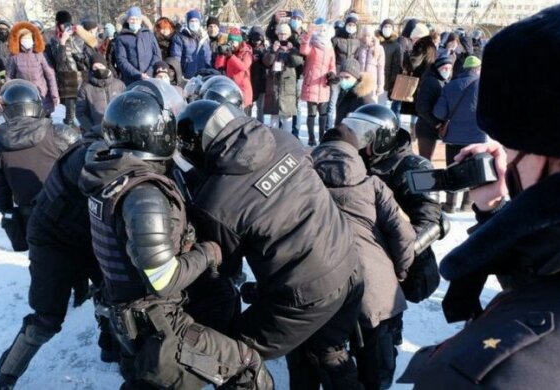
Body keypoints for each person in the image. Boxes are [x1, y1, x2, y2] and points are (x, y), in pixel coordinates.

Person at [399, 4, 560, 388]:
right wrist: (494, 210)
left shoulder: (476, 375)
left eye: (510, 142)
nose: (502, 153)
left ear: (553, 156)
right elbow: (553, 279)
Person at [79, 81, 272, 389]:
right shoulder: (144, 194)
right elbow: (162, 278)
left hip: (135, 314)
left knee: (222, 299)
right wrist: (208, 252)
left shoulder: (109, 176)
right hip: (161, 320)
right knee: (248, 368)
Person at [176, 99, 364, 389]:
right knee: (326, 352)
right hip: (349, 262)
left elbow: (225, 270)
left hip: (306, 293)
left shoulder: (215, 202)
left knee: (232, 352)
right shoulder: (283, 139)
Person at [0, 111, 109, 390]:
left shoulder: (76, 139)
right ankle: (4, 378)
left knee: (112, 292)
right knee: (46, 317)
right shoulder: (83, 148)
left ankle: (110, 345)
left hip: (87, 230)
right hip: (51, 236)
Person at [313, 125, 416, 390]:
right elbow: (402, 233)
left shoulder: (303, 186)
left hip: (322, 286)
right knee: (376, 363)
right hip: (372, 286)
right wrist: (400, 271)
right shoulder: (372, 184)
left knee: (329, 358)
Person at [349, 104, 449, 339]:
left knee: (384, 327)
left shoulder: (416, 167)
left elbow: (431, 221)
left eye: (365, 134)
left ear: (383, 138)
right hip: (359, 255)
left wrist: (396, 254)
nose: (358, 141)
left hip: (401, 263)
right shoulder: (355, 163)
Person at [0, 80, 80, 251]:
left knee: (43, 262)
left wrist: (6, 210)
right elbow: (83, 171)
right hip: (68, 212)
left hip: (32, 216)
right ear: (36, 105)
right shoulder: (60, 133)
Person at [433, 56, 486, 213]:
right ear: (477, 69)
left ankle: (450, 204)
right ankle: (467, 203)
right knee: (474, 170)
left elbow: (439, 111)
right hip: (477, 137)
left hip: (453, 137)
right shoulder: (484, 86)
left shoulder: (451, 86)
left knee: (452, 168)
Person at [45, 10, 94, 126]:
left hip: (82, 77)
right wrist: (63, 42)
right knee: (70, 114)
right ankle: (71, 134)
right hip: (67, 80)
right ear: (58, 25)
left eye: (68, 24)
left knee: (84, 110)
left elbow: (90, 54)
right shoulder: (54, 41)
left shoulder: (79, 37)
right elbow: (59, 62)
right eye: (63, 24)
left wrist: (82, 58)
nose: (65, 27)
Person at [6, 21, 60, 116]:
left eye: (29, 38)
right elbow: (9, 78)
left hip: (42, 96)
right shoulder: (14, 56)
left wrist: (54, 95)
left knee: (45, 124)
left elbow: (50, 76)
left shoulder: (40, 54)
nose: (27, 41)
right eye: (24, 39)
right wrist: (7, 98)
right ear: (19, 40)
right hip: (24, 97)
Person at [300, 19, 337, 146]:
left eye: (324, 30)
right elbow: (304, 51)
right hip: (311, 83)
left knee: (323, 114)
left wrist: (332, 73)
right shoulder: (312, 44)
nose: (322, 32)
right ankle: (311, 138)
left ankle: (322, 137)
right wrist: (309, 33)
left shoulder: (330, 47)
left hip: (323, 84)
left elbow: (332, 65)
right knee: (311, 114)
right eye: (320, 29)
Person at [263, 23, 303, 133]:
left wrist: (291, 52)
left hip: (288, 86)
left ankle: (287, 139)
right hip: (274, 84)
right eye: (280, 34)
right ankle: (275, 139)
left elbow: (298, 62)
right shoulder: (272, 46)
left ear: (289, 34)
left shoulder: (293, 47)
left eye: (285, 34)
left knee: (287, 117)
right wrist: (273, 51)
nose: (282, 36)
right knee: (274, 116)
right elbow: (266, 62)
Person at [415, 54, 452, 161]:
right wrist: (436, 123)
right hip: (426, 128)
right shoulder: (430, 81)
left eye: (449, 68)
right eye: (445, 68)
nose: (447, 71)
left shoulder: (444, 81)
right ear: (438, 68)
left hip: (435, 128)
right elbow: (421, 107)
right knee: (425, 159)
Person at [76, 52, 124, 133]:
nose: (99, 69)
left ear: (105, 66)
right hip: (97, 132)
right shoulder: (86, 89)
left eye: (101, 66)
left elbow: (126, 106)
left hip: (119, 129)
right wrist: (91, 129)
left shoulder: (119, 85)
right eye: (95, 67)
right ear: (91, 69)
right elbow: (80, 113)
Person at [115, 7, 161, 85]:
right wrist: (138, 74)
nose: (134, 21)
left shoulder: (149, 34)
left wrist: (149, 72)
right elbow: (121, 60)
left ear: (141, 20)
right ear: (127, 20)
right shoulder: (121, 37)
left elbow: (157, 55)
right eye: (132, 19)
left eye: (137, 19)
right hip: (131, 79)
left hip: (150, 78)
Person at [329, 13, 360, 128]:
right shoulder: (336, 39)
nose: (351, 27)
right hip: (337, 74)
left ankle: (344, 127)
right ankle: (329, 128)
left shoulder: (357, 42)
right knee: (333, 103)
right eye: (349, 24)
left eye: (353, 25)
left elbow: (356, 60)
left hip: (350, 77)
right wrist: (331, 72)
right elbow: (331, 56)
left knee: (347, 103)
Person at [171, 10, 211, 79]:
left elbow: (208, 59)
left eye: (196, 21)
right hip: (186, 78)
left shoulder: (204, 38)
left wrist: (209, 74)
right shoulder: (180, 37)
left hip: (202, 77)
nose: (194, 23)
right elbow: (176, 59)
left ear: (199, 22)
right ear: (188, 22)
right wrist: (179, 75)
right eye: (192, 21)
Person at [335, 58, 375, 125]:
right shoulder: (343, 93)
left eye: (347, 77)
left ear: (356, 78)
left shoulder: (364, 100)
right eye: (341, 77)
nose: (343, 80)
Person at [224, 27, 253, 114]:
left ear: (239, 42)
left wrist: (231, 57)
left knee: (244, 121)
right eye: (230, 41)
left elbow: (243, 66)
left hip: (244, 92)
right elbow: (218, 65)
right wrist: (221, 54)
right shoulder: (230, 52)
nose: (231, 44)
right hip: (231, 91)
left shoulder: (246, 53)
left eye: (234, 42)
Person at [378, 19, 403, 108]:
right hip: (373, 77)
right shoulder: (376, 41)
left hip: (386, 81)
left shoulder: (396, 46)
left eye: (389, 27)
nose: (387, 29)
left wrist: (392, 83)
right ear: (381, 28)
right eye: (385, 26)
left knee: (381, 105)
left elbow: (396, 66)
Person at [356, 25, 385, 101]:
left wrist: (380, 86)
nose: (366, 37)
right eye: (364, 35)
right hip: (359, 82)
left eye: (368, 35)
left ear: (372, 36)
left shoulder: (379, 48)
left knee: (371, 107)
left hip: (372, 84)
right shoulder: (358, 46)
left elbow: (380, 69)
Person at [247, 26, 268, 122]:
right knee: (248, 106)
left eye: (259, 39)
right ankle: (247, 124)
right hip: (249, 82)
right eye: (254, 39)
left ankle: (260, 126)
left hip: (262, 82)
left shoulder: (265, 49)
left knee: (261, 108)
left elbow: (268, 63)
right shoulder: (247, 49)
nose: (256, 42)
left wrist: (263, 58)